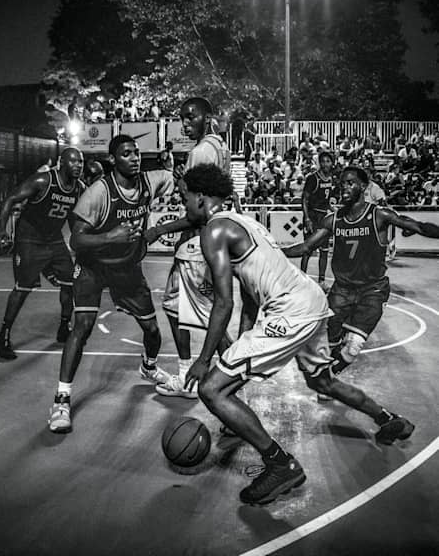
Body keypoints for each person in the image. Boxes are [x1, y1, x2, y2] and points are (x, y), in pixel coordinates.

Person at [182, 164, 415, 506]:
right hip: (310, 299)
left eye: (184, 196)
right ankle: (389, 420)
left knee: (211, 389)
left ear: (200, 197)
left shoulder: (213, 232)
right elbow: (249, 296)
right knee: (322, 382)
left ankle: (281, 465)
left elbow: (223, 301)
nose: (183, 203)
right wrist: (237, 357)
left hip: (290, 311)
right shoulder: (246, 221)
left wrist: (205, 362)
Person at [48, 135, 173, 433]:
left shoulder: (151, 181)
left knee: (153, 331)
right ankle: (61, 399)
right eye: (126, 154)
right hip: (93, 267)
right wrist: (110, 237)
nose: (134, 158)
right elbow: (76, 239)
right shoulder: (98, 193)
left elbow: (181, 180)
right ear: (113, 160)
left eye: (137, 153)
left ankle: (149, 367)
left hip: (127, 268)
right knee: (83, 326)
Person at [284, 166, 439, 387]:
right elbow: (306, 247)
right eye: (342, 183)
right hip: (342, 290)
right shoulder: (334, 219)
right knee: (329, 342)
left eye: (350, 183)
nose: (344, 187)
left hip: (372, 290)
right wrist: (273, 250)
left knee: (352, 347)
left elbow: (418, 226)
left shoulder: (379, 215)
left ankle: (328, 379)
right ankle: (327, 374)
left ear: (363, 187)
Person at [144, 97, 231, 399]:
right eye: (182, 118)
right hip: (210, 239)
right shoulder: (218, 146)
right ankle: (214, 377)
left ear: (207, 117)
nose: (185, 123)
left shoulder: (201, 151)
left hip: (197, 244)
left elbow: (197, 210)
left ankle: (201, 377)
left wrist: (159, 229)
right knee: (193, 311)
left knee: (203, 316)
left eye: (191, 117)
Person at [0, 148, 85, 360]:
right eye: (73, 162)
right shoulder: (44, 181)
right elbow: (10, 199)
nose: (78, 166)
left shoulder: (79, 188)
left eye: (80, 162)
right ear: (62, 163)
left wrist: (80, 240)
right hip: (29, 240)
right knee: (23, 288)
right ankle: (3, 335)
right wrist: (1, 231)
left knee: (71, 283)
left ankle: (64, 326)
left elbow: (73, 218)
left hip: (54, 240)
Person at [300, 152, 334, 291]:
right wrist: (307, 218)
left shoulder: (331, 178)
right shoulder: (312, 178)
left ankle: (321, 281)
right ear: (320, 163)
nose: (326, 164)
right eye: (323, 161)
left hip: (323, 217)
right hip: (313, 216)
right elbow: (304, 199)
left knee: (324, 250)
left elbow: (326, 200)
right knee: (307, 249)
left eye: (328, 161)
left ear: (332, 163)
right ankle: (301, 280)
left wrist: (332, 208)